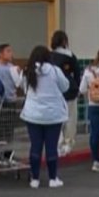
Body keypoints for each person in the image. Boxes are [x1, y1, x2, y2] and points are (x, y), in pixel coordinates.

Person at [19, 45, 70, 188]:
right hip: (53, 115)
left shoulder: (27, 71)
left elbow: (24, 89)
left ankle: (34, 179)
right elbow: (65, 86)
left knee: (35, 147)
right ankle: (53, 178)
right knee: (51, 147)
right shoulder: (54, 71)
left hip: (33, 114)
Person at [49, 31, 82, 156]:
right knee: (70, 118)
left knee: (57, 119)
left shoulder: (49, 55)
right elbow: (77, 74)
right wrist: (77, 87)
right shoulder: (70, 55)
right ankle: (68, 143)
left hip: (55, 92)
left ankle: (57, 142)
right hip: (69, 91)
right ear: (65, 41)